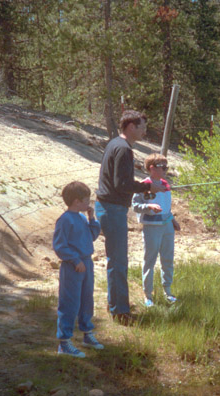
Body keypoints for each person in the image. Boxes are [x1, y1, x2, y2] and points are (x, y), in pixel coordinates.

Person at [95, 110, 167, 324]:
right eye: (142, 126)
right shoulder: (124, 149)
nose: (145, 131)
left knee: (114, 260)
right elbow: (122, 184)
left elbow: (120, 182)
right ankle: (121, 313)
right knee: (118, 262)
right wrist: (147, 187)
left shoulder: (115, 144)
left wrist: (145, 187)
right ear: (131, 127)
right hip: (112, 210)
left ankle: (115, 304)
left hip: (107, 207)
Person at [53, 181, 103, 357]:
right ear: (76, 201)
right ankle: (64, 342)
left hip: (87, 263)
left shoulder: (82, 218)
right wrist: (74, 260)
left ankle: (87, 334)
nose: (88, 203)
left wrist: (92, 219)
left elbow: (92, 236)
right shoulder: (65, 220)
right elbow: (60, 245)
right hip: (73, 267)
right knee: (69, 302)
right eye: (86, 200)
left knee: (86, 299)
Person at [132, 153, 181, 307]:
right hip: (151, 228)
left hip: (167, 226)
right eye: (163, 167)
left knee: (167, 259)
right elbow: (135, 206)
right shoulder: (143, 185)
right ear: (152, 168)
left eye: (166, 167)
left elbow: (167, 206)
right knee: (150, 261)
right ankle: (148, 296)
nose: (165, 170)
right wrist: (148, 207)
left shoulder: (166, 185)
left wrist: (173, 219)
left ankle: (168, 291)